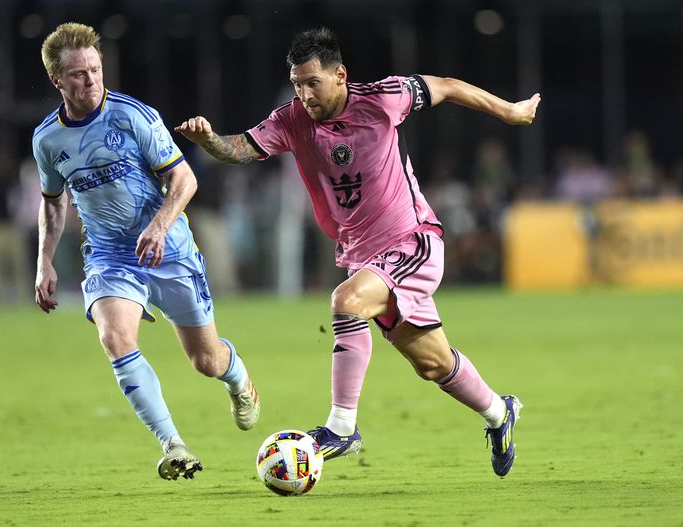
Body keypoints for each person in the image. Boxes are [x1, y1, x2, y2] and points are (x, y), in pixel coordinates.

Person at [176, 27, 540, 477]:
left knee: (345, 302)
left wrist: (510, 111)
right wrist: (209, 140)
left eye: (312, 83)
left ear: (340, 75)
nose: (304, 93)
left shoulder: (384, 98)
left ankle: (341, 427)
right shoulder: (291, 120)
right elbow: (241, 149)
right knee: (433, 363)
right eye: (296, 84)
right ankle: (500, 414)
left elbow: (446, 86)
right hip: (363, 256)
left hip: (412, 241)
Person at [32, 22, 260, 481]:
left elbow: (184, 178)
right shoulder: (47, 140)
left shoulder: (133, 116)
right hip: (109, 256)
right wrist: (44, 261)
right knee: (114, 337)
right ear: (57, 80)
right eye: (78, 75)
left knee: (205, 361)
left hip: (168, 248)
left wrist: (158, 226)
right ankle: (173, 444)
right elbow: (53, 202)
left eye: (95, 69)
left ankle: (238, 380)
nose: (91, 80)